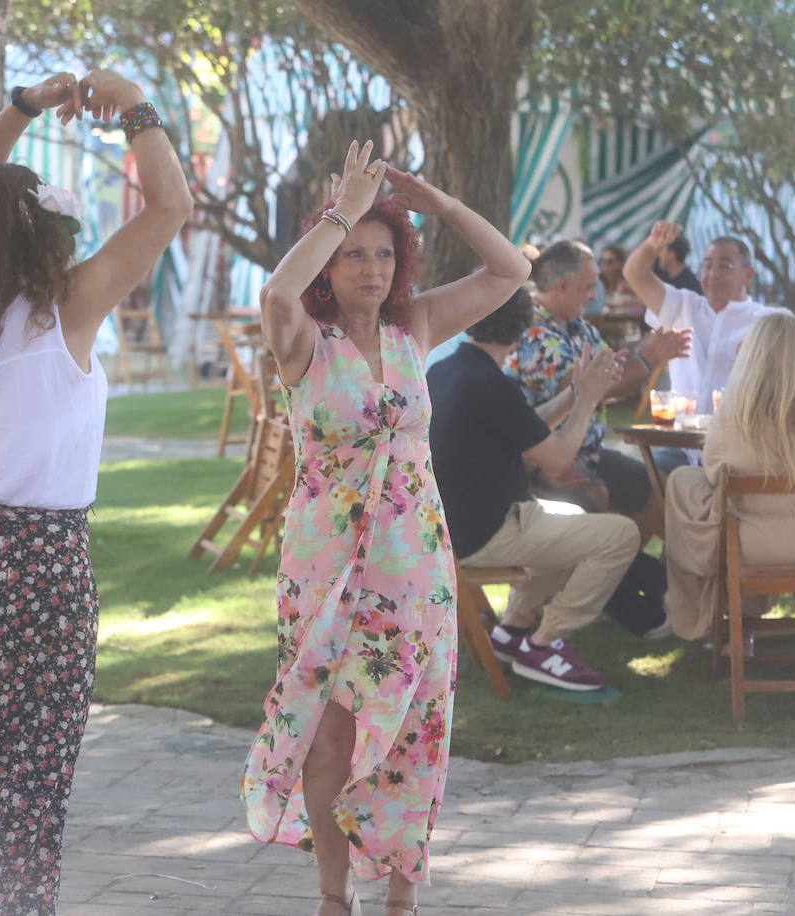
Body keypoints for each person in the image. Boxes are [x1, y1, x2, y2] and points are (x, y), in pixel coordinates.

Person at [0, 70, 191, 915]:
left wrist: (22, 108)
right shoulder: (65, 309)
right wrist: (133, 104)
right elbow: (169, 207)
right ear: (45, 235)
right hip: (39, 568)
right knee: (25, 784)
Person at [241, 140, 529, 916]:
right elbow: (276, 293)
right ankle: (335, 897)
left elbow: (510, 271)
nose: (371, 269)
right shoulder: (305, 342)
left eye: (384, 255)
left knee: (415, 729)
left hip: (414, 570)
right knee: (330, 735)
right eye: (353, 255)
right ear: (328, 267)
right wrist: (341, 211)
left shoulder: (417, 328)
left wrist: (441, 206)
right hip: (324, 570)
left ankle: (403, 896)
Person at [429, 289, 651, 688]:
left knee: (576, 519)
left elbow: (525, 426)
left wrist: (575, 392)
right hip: (481, 536)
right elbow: (559, 460)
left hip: (452, 530)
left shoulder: (449, 370)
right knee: (621, 535)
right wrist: (588, 400)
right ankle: (545, 642)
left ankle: (515, 626)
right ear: (522, 332)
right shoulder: (489, 383)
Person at [663, 312, 795, 640]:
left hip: (747, 547)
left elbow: (712, 474)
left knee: (683, 482)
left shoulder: (733, 416)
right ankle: (744, 615)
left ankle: (704, 615)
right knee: (704, 490)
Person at [623, 221, 795, 477]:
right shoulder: (683, 306)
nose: (713, 273)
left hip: (741, 449)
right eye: (707, 265)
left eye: (724, 265)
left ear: (747, 275)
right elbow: (635, 274)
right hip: (681, 446)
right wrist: (653, 245)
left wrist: (767, 343)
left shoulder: (767, 319)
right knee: (646, 481)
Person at [509, 240, 691, 541]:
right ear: (562, 286)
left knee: (657, 488)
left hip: (585, 452)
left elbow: (611, 373)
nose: (595, 295)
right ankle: (616, 566)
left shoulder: (575, 324)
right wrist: (646, 359)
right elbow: (588, 389)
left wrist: (642, 354)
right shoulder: (535, 331)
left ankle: (633, 567)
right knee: (598, 495)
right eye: (589, 287)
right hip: (543, 460)